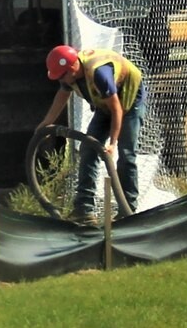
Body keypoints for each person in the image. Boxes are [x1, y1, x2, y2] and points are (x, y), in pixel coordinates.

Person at [36, 43, 145, 220]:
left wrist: (113, 143)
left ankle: (128, 210)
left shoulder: (99, 74)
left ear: (73, 67)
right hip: (105, 104)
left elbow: (117, 109)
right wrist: (46, 123)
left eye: (63, 76)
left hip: (129, 101)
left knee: (126, 154)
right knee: (88, 149)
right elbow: (62, 95)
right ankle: (84, 209)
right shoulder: (70, 74)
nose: (62, 81)